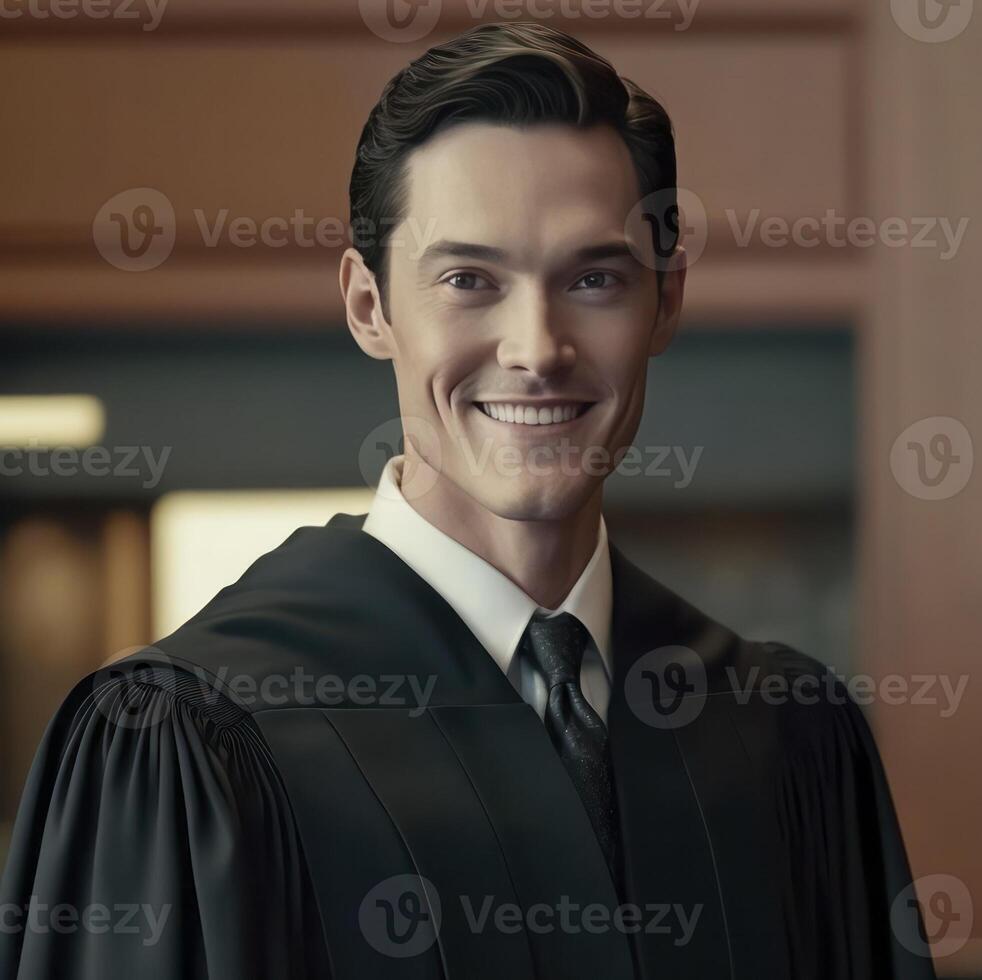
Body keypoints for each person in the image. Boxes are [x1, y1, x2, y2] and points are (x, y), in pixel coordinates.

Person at [0, 22, 932, 980]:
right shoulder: (192, 743)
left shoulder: (783, 738)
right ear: (369, 306)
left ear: (666, 300)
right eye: (468, 280)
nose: (536, 347)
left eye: (594, 278)